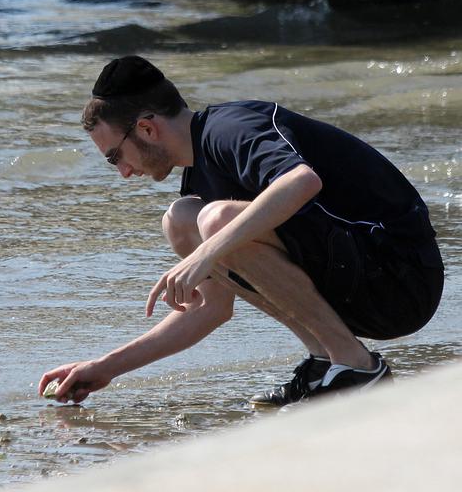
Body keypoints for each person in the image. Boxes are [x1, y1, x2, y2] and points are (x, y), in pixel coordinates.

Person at [38, 55, 444, 406]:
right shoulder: (199, 178)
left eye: (115, 157)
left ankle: (355, 365)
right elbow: (212, 309)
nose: (124, 172)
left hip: (401, 277)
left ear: (146, 128)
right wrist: (106, 367)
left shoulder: (230, 128)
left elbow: (303, 181)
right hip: (361, 284)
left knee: (216, 222)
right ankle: (326, 359)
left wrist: (207, 251)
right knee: (181, 219)